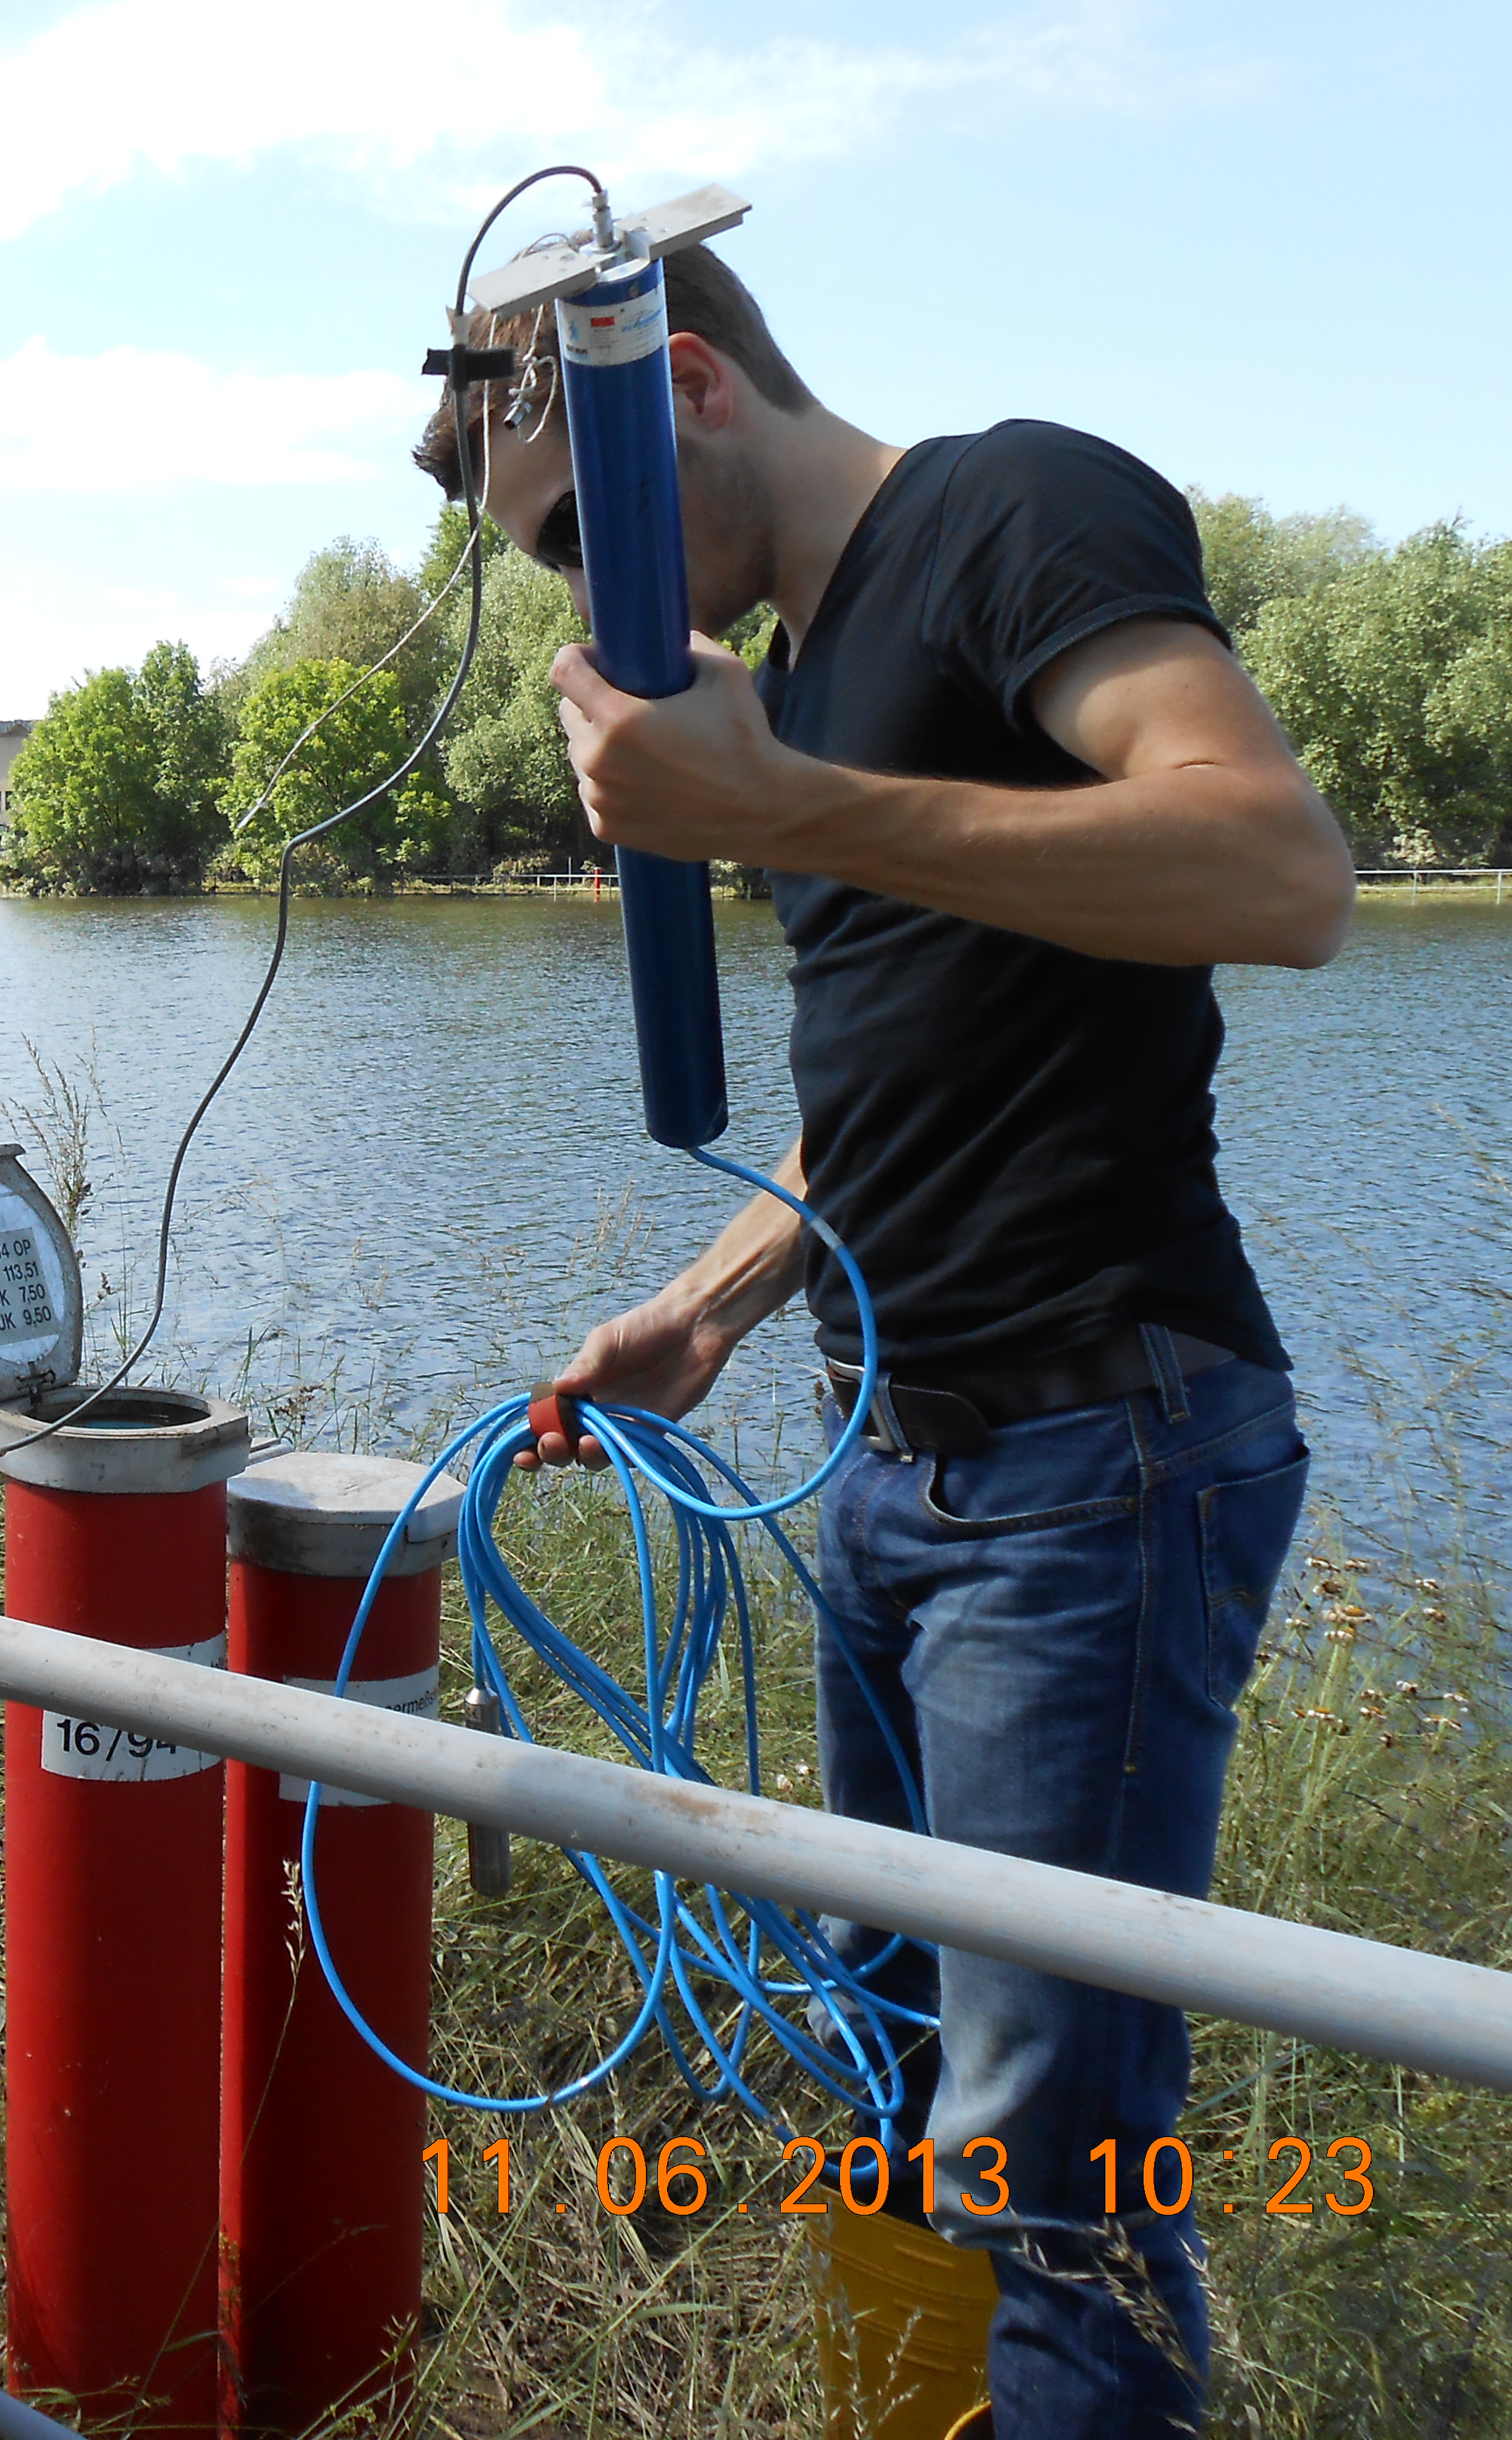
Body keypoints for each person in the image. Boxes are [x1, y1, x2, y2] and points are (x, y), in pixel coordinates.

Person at [418, 244, 1348, 2436]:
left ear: (695, 393)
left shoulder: (1021, 507)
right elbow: (912, 1063)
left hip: (1098, 1460)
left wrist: (784, 812)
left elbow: (1279, 870)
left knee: (1055, 2169)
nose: (593, 614)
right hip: (894, 1470)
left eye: (577, 538)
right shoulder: (797, 672)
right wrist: (710, 1309)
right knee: (887, 2062)